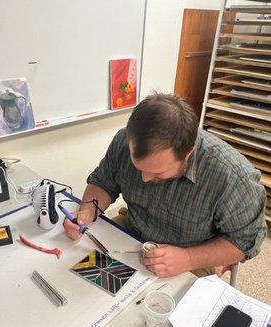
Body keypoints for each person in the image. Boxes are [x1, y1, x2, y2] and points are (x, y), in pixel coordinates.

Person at [64, 93, 267, 277]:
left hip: (190, 255)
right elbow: (103, 183)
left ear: (188, 152)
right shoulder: (123, 141)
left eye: (158, 172)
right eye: (138, 167)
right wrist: (88, 211)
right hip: (132, 229)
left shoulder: (233, 177)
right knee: (78, 274)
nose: (144, 178)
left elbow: (244, 241)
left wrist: (188, 258)